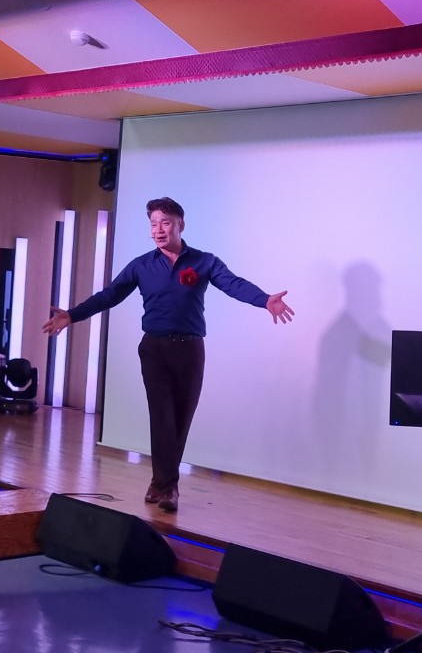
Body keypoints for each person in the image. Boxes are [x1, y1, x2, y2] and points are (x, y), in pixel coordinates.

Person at [42, 197, 293, 513]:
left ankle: (159, 483)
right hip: (154, 349)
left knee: (181, 419)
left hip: (190, 349)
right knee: (162, 416)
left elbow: (233, 284)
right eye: (153, 224)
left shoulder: (204, 262)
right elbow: (110, 295)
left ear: (180, 225)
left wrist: (264, 299)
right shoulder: (141, 265)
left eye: (165, 223)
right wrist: (72, 315)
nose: (158, 230)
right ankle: (168, 487)